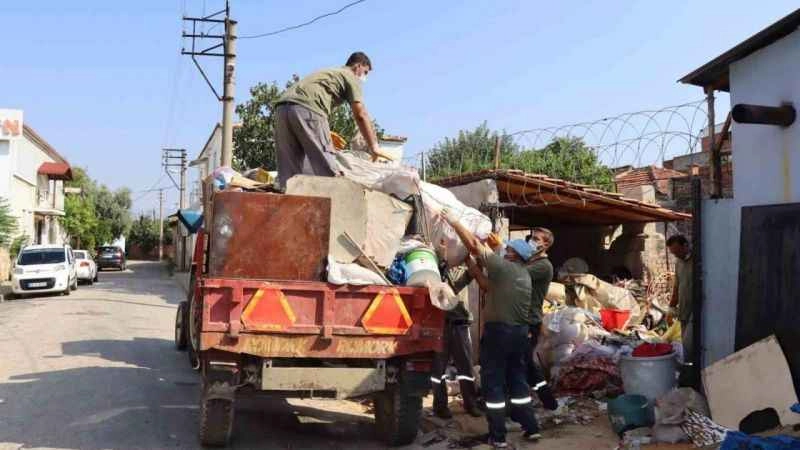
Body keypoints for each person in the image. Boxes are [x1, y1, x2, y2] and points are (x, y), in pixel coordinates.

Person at [441, 209, 541, 448]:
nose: (505, 251)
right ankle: (531, 428)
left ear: (514, 255)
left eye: (508, 250)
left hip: (499, 333)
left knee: (493, 383)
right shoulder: (521, 276)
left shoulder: (505, 268)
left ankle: (498, 436)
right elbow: (486, 286)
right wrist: (470, 265)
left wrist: (454, 221)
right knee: (517, 381)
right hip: (518, 334)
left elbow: (475, 244)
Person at [274, 51, 392, 189]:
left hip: (282, 109)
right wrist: (374, 146)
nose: (364, 77)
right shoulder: (350, 76)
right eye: (365, 72)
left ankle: (287, 205)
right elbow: (360, 114)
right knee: (328, 172)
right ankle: (336, 206)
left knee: (289, 177)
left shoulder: (331, 72)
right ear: (358, 66)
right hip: (309, 109)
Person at [431, 257, 483, 419]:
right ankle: (440, 406)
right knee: (438, 369)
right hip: (440, 325)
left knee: (466, 368)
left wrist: (478, 256)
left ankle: (471, 404)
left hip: (460, 324)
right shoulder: (433, 267)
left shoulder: (461, 269)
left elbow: (457, 283)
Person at [524, 227, 557, 410]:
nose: (532, 240)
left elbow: (517, 275)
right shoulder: (530, 261)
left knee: (523, 364)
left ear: (545, 244)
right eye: (531, 237)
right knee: (526, 364)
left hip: (530, 321)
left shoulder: (543, 266)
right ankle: (548, 400)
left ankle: (543, 401)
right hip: (524, 319)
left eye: (536, 238)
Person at [667, 235, 693, 352]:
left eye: (677, 252)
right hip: (683, 310)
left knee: (688, 344)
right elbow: (676, 286)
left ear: (685, 246)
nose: (676, 255)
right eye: (673, 253)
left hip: (695, 310)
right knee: (684, 342)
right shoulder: (678, 263)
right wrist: (671, 308)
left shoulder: (696, 260)